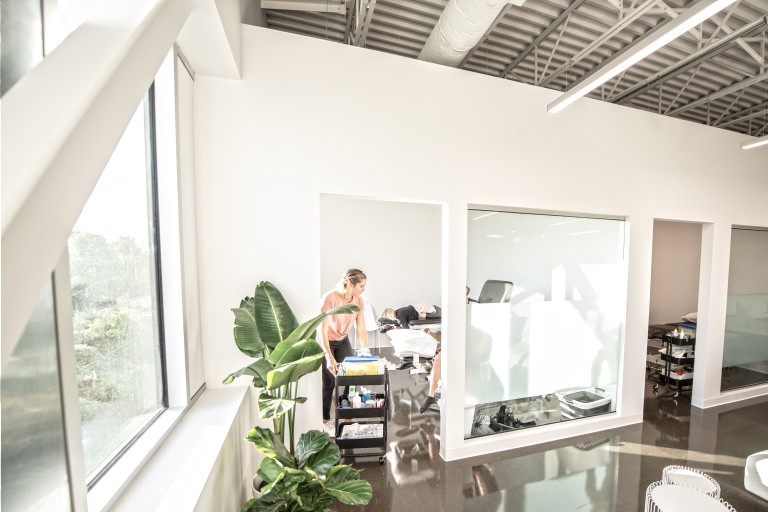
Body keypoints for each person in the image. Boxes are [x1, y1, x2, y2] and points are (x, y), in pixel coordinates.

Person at [320, 268, 369, 437]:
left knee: (350, 377)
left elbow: (361, 328)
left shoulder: (359, 301)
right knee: (329, 382)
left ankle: (347, 416)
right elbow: (323, 330)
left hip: (342, 340)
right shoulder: (330, 298)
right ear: (351, 284)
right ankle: (326, 421)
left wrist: (365, 349)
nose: (363, 289)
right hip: (327, 341)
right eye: (361, 286)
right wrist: (329, 357)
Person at [419, 286, 471, 413]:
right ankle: (432, 396)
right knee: (438, 360)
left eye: (466, 296)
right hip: (456, 344)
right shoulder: (454, 311)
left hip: (467, 345)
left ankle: (433, 396)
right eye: (463, 296)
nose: (466, 299)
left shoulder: (469, 311)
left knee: (439, 360)